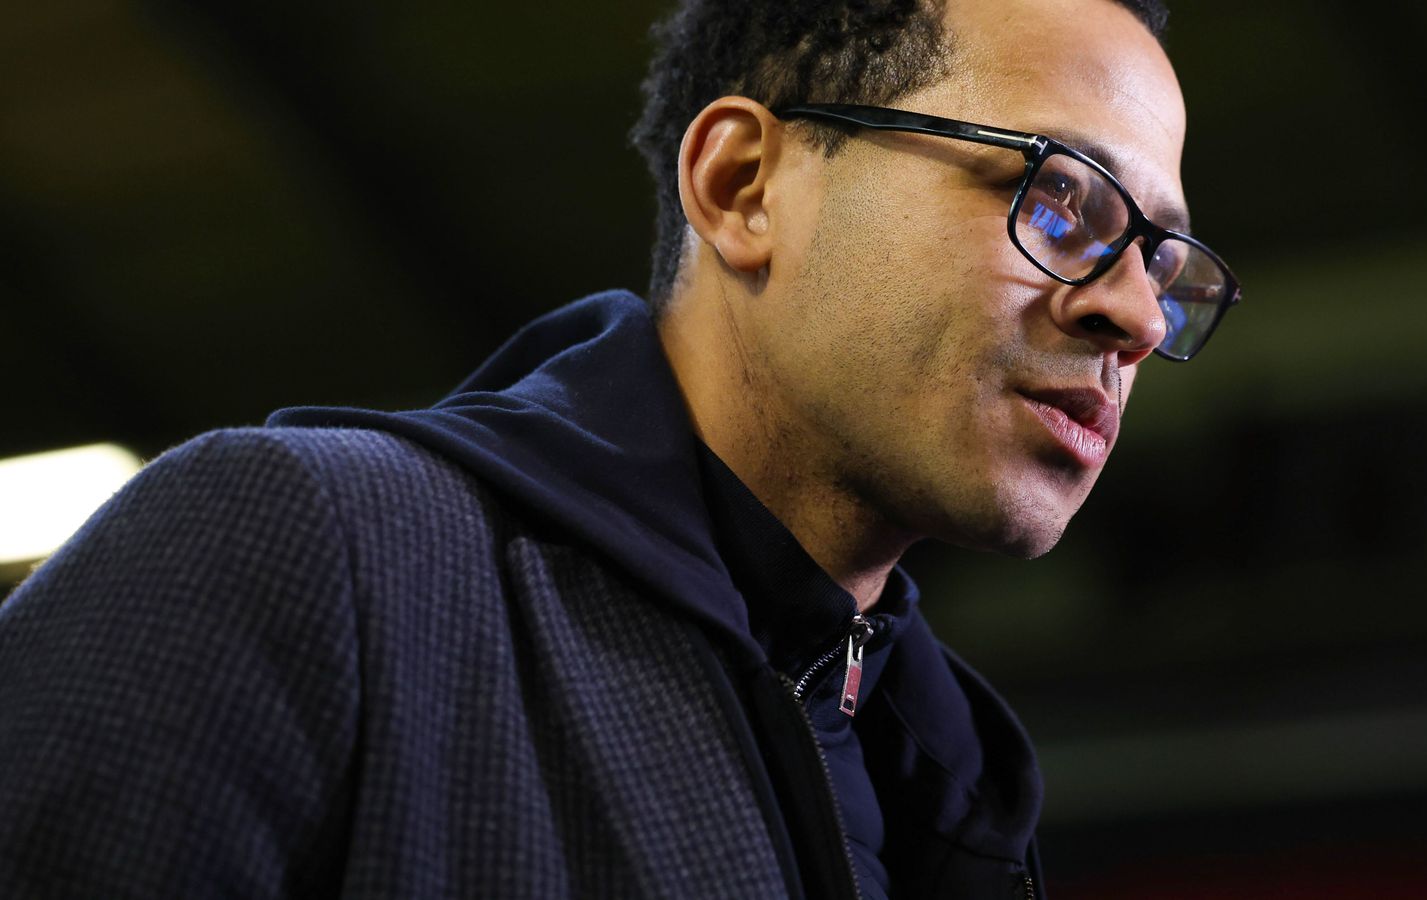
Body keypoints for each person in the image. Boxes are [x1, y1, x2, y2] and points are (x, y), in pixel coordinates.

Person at [0, 0, 1240, 896]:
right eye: (1058, 199)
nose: (1136, 317)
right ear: (744, 184)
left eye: (1162, 262)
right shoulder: (296, 550)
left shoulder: (940, 777)